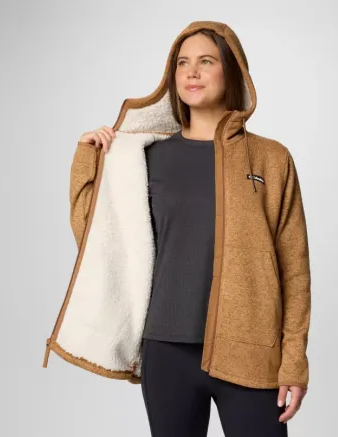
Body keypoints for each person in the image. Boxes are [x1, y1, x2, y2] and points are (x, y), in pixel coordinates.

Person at [43, 21, 311, 437]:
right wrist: (86, 159)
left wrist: (294, 361)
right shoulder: (145, 158)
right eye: (182, 63)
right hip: (167, 351)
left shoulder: (271, 159)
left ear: (232, 71)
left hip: (251, 350)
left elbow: (294, 269)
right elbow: (99, 240)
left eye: (206, 61)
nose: (192, 72)